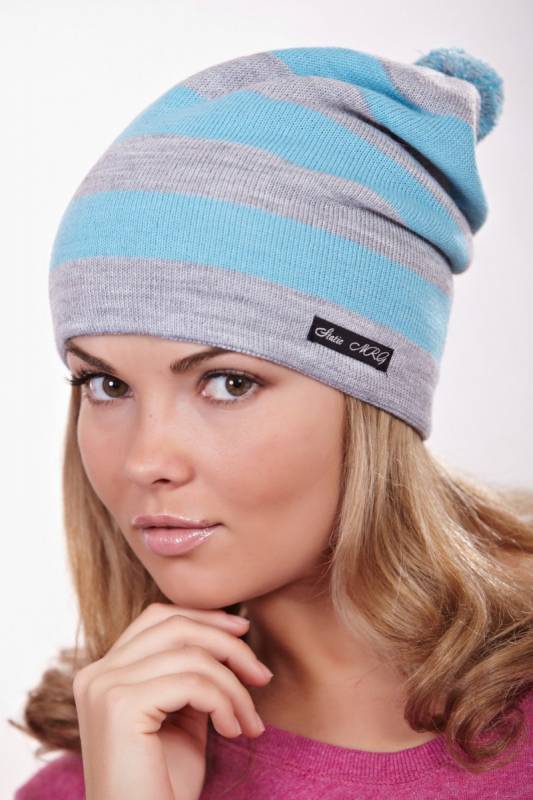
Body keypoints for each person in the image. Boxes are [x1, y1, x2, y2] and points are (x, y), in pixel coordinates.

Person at [11, 44, 533, 799]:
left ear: (374, 396)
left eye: (228, 383)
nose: (145, 461)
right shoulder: (105, 775)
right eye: (106, 384)